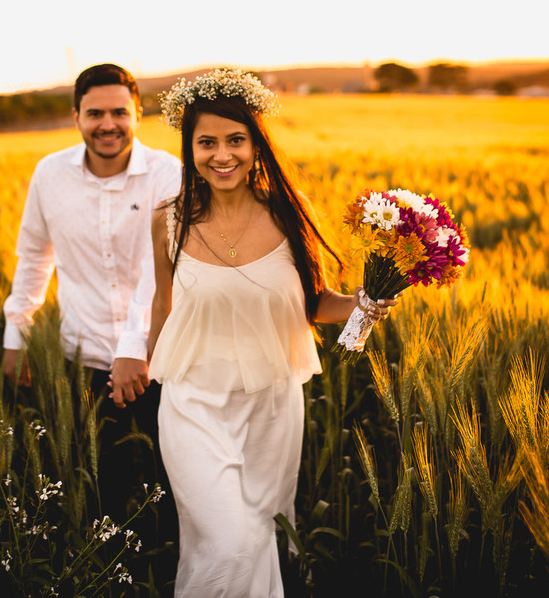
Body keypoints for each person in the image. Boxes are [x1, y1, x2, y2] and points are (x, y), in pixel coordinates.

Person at [146, 68, 396, 597]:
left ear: (257, 143)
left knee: (257, 534)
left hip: (272, 407)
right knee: (227, 540)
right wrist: (150, 385)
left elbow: (312, 302)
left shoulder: (289, 211)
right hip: (192, 404)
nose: (222, 155)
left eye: (236, 140)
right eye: (206, 142)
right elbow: (163, 306)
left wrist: (364, 304)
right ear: (189, 148)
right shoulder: (168, 220)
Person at [1, 63, 181, 552]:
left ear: (138, 113)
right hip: (81, 358)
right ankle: (111, 572)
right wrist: (16, 336)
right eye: (95, 112)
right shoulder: (50, 174)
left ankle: (168, 565)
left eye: (119, 112)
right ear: (76, 115)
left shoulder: (169, 174)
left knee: (175, 484)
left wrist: (135, 348)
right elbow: (35, 258)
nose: (108, 124)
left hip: (161, 361)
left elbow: (158, 269)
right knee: (103, 484)